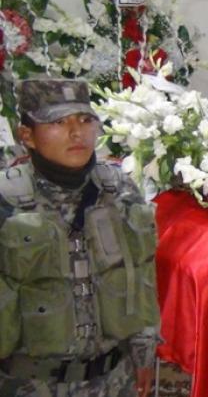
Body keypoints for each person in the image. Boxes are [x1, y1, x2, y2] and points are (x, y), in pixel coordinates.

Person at [0, 79, 158, 396]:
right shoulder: (6, 199)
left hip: (114, 378)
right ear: (27, 135)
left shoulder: (119, 189)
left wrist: (144, 354)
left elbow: (141, 275)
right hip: (30, 385)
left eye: (85, 120)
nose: (77, 133)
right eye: (58, 122)